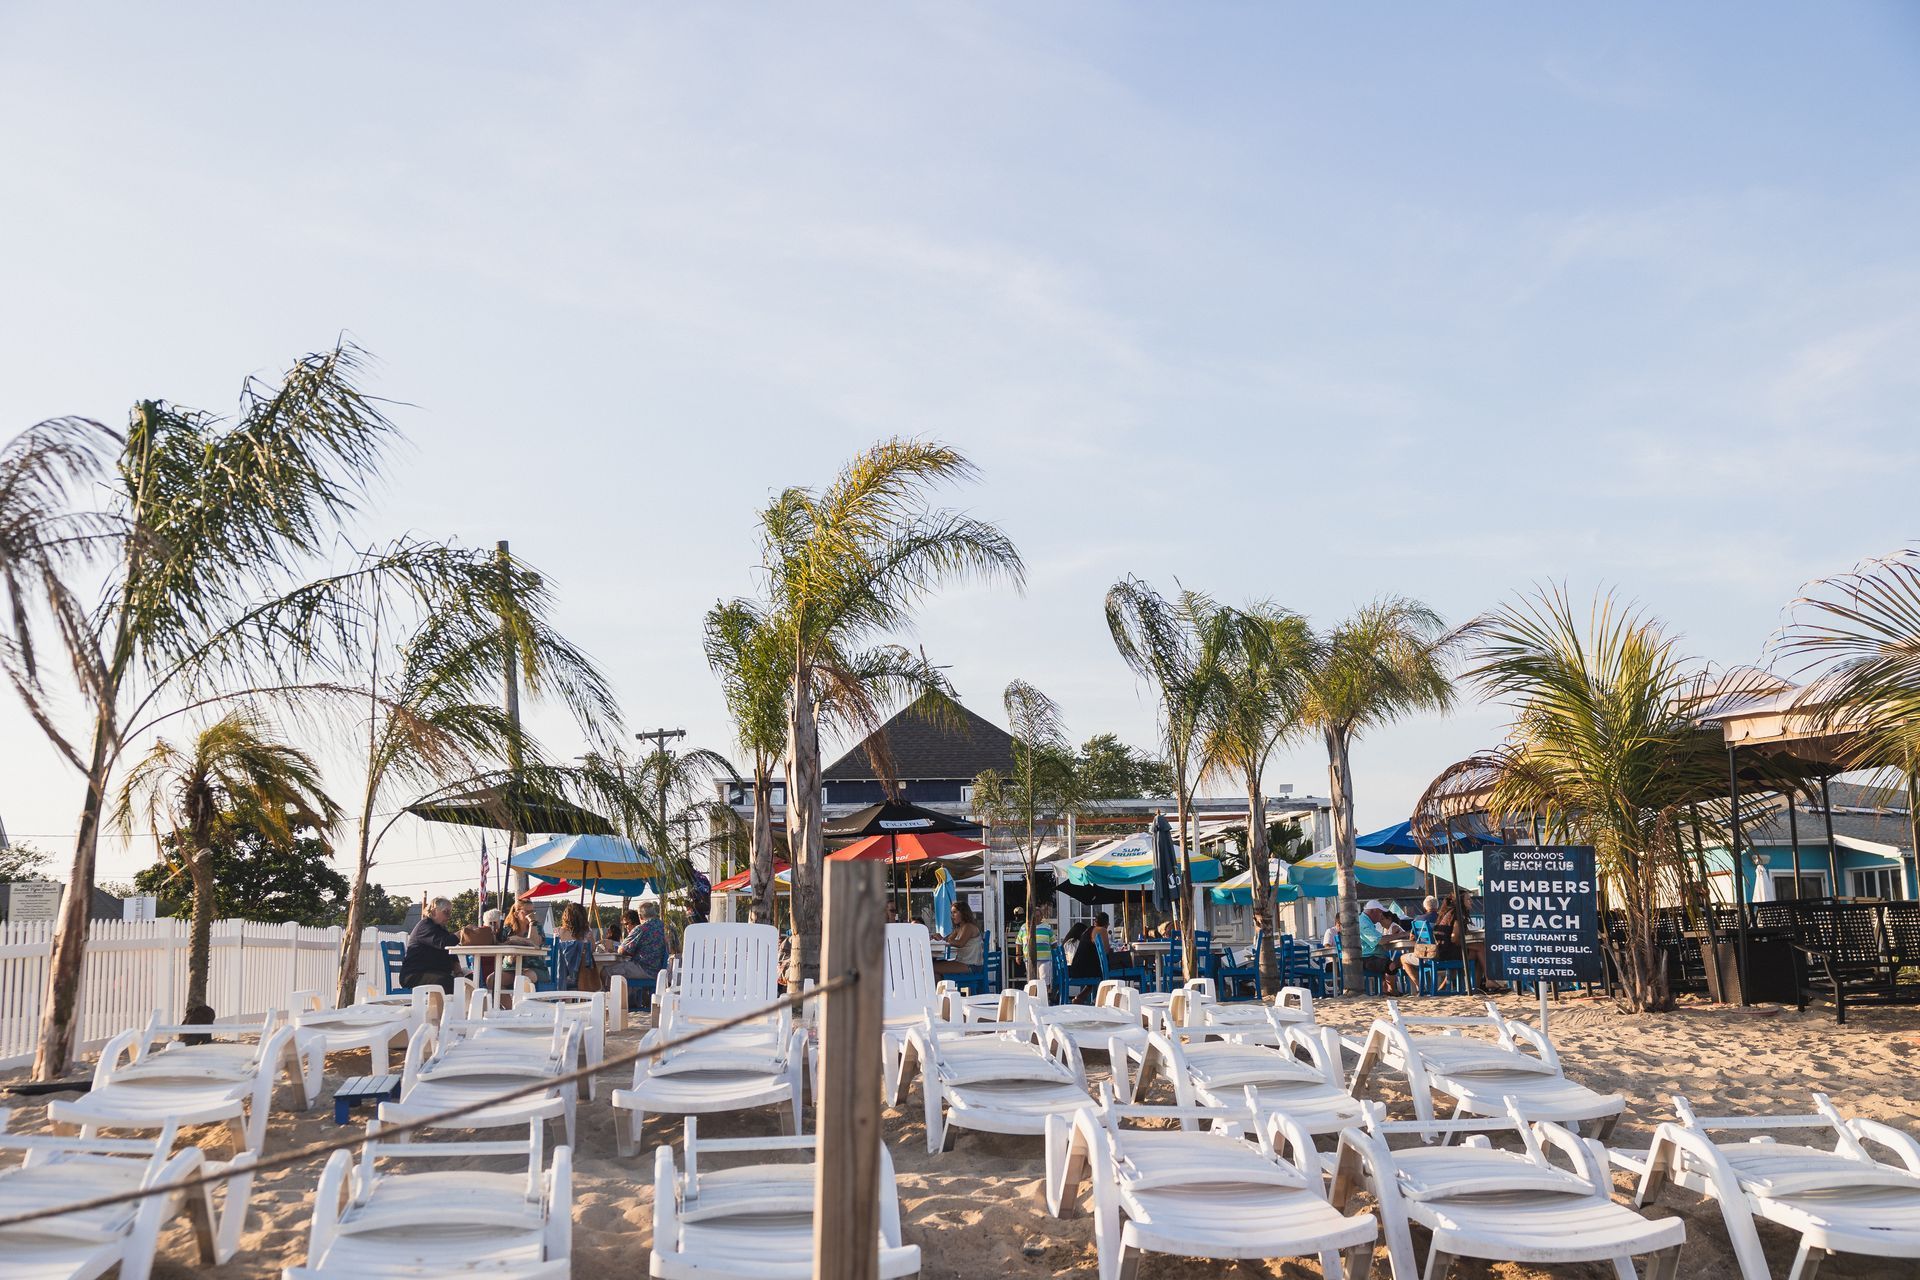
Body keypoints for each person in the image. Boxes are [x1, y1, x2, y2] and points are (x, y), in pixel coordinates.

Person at [605, 902, 673, 995]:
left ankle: (616, 1004)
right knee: (625, 968)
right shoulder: (664, 927)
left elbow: (622, 950)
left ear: (640, 916)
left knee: (606, 971)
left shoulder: (641, 928)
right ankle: (629, 1001)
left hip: (644, 969)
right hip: (659, 971)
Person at [400, 895, 460, 991]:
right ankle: (442, 1006)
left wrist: (458, 970)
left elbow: (449, 951)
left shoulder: (440, 929)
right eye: (446, 912)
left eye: (450, 913)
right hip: (414, 975)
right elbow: (444, 943)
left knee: (468, 979)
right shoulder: (425, 926)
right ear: (433, 911)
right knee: (448, 982)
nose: (449, 916)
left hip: (432, 972)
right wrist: (462, 933)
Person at [1359, 898, 1409, 994]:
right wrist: (1402, 934)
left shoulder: (1365, 921)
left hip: (1370, 956)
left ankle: (1387, 990)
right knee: (1391, 965)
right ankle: (1392, 990)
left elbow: (1379, 939)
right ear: (1374, 911)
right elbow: (1380, 941)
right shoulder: (1364, 923)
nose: (1380, 915)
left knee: (1392, 962)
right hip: (1367, 958)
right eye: (1380, 913)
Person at [933, 901, 982, 976]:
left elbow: (960, 943)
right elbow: (947, 940)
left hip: (971, 965)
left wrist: (943, 939)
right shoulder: (959, 928)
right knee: (934, 969)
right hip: (962, 962)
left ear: (963, 913)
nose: (952, 916)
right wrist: (940, 938)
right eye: (951, 913)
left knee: (932, 967)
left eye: (955, 912)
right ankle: (942, 987)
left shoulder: (969, 926)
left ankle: (944, 987)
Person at [1015, 903, 1056, 989]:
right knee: (1031, 981)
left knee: (1044, 980)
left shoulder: (1047, 927)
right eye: (1034, 916)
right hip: (1029, 958)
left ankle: (1045, 998)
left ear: (1041, 917)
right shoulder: (1024, 927)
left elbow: (1053, 943)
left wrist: (1055, 956)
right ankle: (1033, 998)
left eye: (1038, 916)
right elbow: (1018, 942)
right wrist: (1018, 955)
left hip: (1044, 959)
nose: (1036, 918)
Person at [1061, 919, 1103, 1000]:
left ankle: (1080, 998)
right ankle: (1091, 999)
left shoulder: (1067, 942)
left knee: (1093, 973)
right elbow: (1076, 958)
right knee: (1096, 974)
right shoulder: (1075, 943)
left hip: (1067, 970)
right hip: (1073, 970)